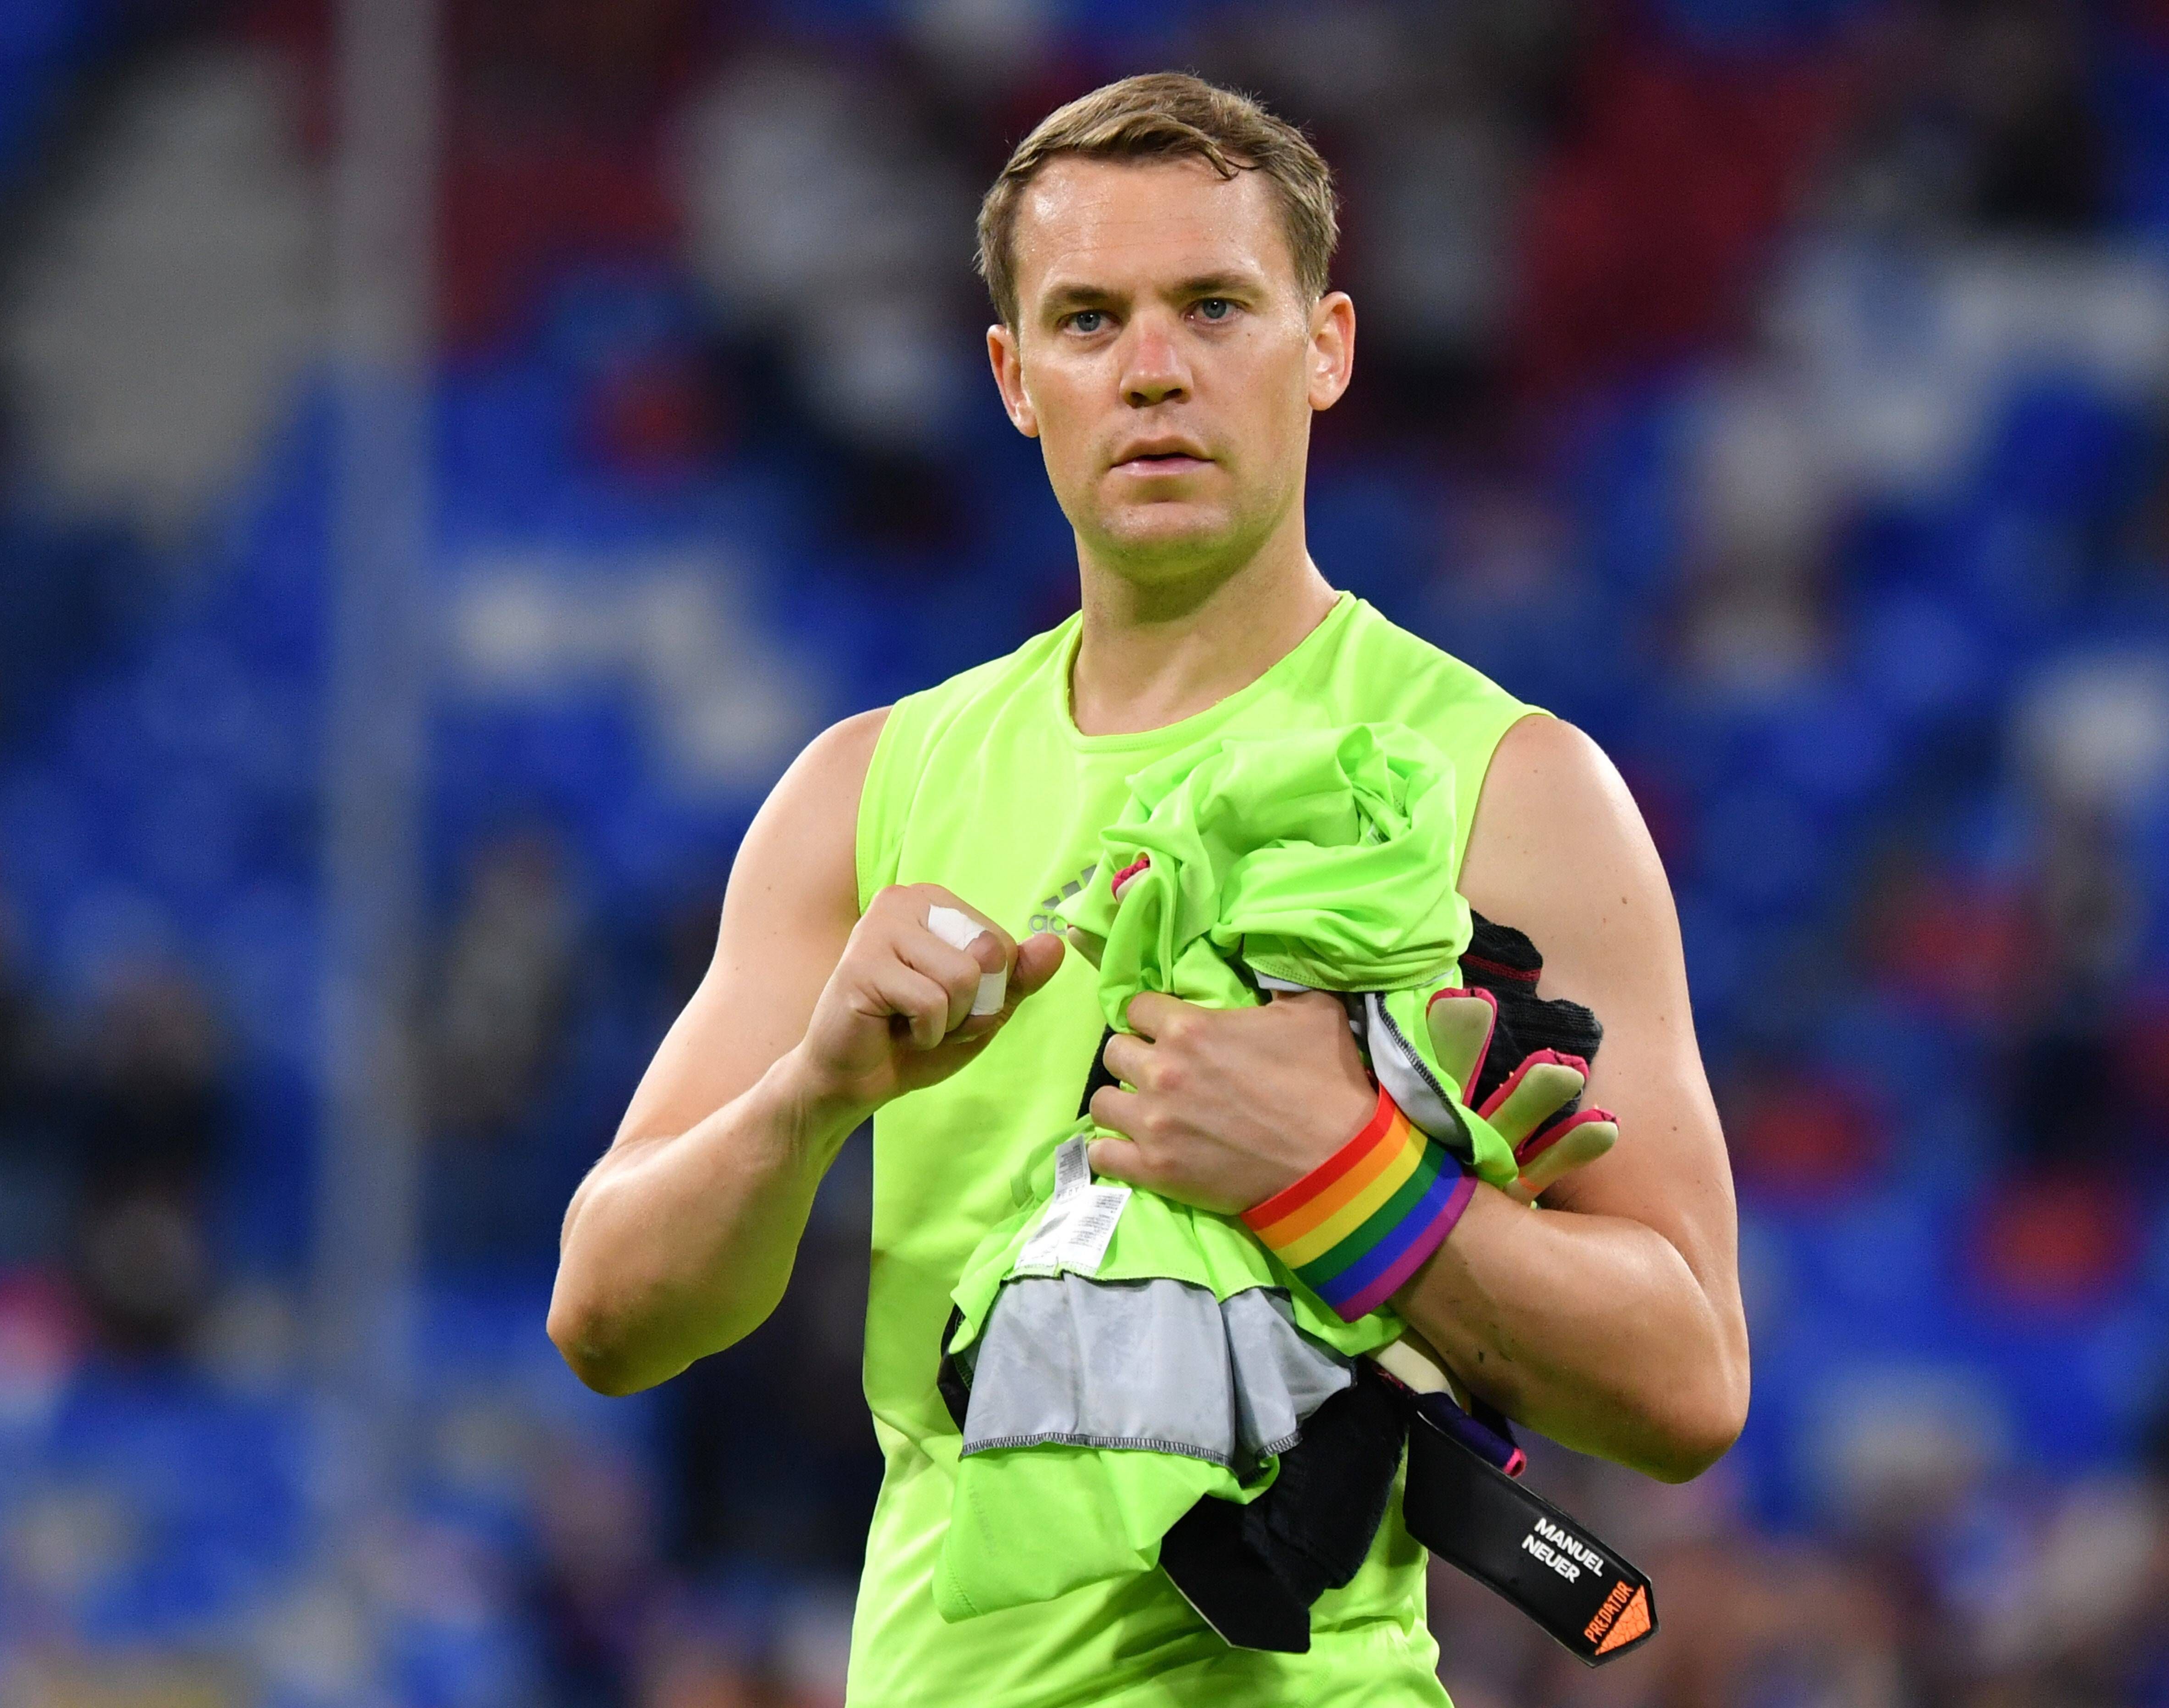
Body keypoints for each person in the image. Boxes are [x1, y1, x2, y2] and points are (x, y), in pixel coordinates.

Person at [547, 70, 1747, 1706]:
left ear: (1325, 346)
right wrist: (814, 1094)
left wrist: (1339, 1179)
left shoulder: (1512, 790)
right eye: (1091, 321)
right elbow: (608, 1313)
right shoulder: (864, 793)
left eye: (1215, 307)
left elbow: (1687, 1381)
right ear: (1014, 377)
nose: (1157, 372)